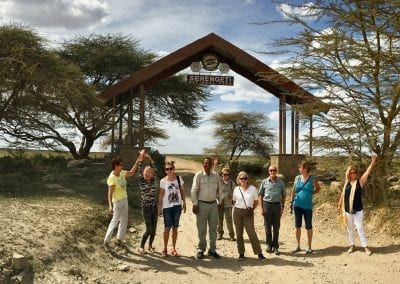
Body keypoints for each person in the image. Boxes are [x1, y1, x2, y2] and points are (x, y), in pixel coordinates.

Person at [337, 154, 377, 256]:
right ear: (348, 174)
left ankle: (365, 246)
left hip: (358, 210)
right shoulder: (346, 183)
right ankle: (352, 245)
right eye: (351, 173)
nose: (353, 174)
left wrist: (372, 162)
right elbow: (343, 193)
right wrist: (339, 203)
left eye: (354, 172)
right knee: (349, 228)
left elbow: (368, 172)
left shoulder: (360, 182)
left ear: (357, 173)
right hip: (347, 210)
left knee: (359, 227)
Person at [191, 157, 223, 259]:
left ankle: (212, 250)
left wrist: (220, 202)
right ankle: (201, 249)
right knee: (202, 228)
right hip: (202, 204)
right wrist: (195, 204)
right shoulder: (199, 175)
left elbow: (220, 190)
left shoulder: (216, 176)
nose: (207, 165)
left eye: (209, 163)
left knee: (213, 228)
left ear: (211, 164)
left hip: (213, 204)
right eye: (205, 163)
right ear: (203, 164)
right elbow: (194, 190)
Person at [103, 157, 138, 250]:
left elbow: (131, 172)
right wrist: (110, 206)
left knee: (124, 221)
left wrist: (138, 160)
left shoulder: (121, 173)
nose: (122, 166)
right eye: (121, 165)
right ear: (116, 166)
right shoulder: (112, 178)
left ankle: (119, 240)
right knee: (115, 221)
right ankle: (106, 242)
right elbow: (109, 193)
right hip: (117, 202)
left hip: (124, 199)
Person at [233, 171, 266, 262]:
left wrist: (251, 209)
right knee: (239, 234)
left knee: (251, 233)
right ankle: (241, 253)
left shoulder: (253, 189)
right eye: (241, 178)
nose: (243, 180)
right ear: (238, 180)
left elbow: (256, 201)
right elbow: (234, 201)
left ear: (248, 179)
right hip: (237, 212)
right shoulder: (236, 189)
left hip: (248, 213)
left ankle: (259, 253)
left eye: (245, 178)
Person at [290, 160, 321, 254]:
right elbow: (293, 190)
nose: (299, 169)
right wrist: (291, 202)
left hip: (307, 206)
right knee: (297, 226)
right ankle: (298, 246)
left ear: (305, 168)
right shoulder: (297, 178)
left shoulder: (312, 179)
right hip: (297, 205)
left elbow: (318, 188)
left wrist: (311, 193)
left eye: (300, 167)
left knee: (308, 226)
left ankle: (309, 247)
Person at [159, 161, 186, 257]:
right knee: (167, 228)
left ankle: (174, 249)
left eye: (171, 168)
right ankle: (165, 249)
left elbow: (183, 191)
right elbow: (161, 195)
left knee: (175, 228)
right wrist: (160, 207)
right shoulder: (162, 181)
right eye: (167, 169)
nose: (169, 170)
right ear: (165, 170)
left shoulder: (179, 179)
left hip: (177, 206)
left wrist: (185, 203)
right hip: (167, 207)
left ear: (174, 169)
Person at [258, 165, 286, 255]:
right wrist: (261, 208)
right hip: (267, 205)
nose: (272, 172)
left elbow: (284, 195)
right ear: (268, 171)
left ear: (276, 171)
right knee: (267, 226)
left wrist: (282, 207)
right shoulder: (264, 182)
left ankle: (276, 246)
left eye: (274, 170)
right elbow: (260, 195)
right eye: (271, 170)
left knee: (276, 226)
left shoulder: (281, 182)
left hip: (277, 206)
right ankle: (269, 245)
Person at [136, 149, 159, 255]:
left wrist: (149, 158)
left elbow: (155, 168)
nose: (148, 173)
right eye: (146, 172)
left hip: (154, 207)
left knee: (154, 229)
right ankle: (141, 247)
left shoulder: (153, 180)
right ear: (144, 173)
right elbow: (139, 168)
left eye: (150, 172)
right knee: (149, 229)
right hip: (145, 207)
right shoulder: (141, 180)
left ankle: (150, 246)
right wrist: (141, 158)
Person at [216, 166, 236, 241]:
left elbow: (235, 193)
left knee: (229, 220)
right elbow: (215, 173)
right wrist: (215, 164)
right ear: (222, 175)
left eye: (227, 174)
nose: (225, 176)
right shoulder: (219, 181)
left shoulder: (232, 183)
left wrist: (233, 200)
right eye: (224, 174)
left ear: (229, 175)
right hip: (220, 204)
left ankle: (231, 235)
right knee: (219, 220)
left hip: (228, 205)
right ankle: (220, 234)